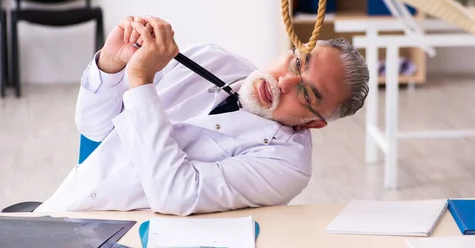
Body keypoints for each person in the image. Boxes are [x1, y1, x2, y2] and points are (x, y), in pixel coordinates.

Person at [35, 15, 370, 216]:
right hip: (67, 206)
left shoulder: (288, 165)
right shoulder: (210, 58)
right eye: (298, 62)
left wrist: (140, 82)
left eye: (307, 93)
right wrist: (111, 61)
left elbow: (176, 194)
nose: (284, 82)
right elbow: (94, 129)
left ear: (313, 122)